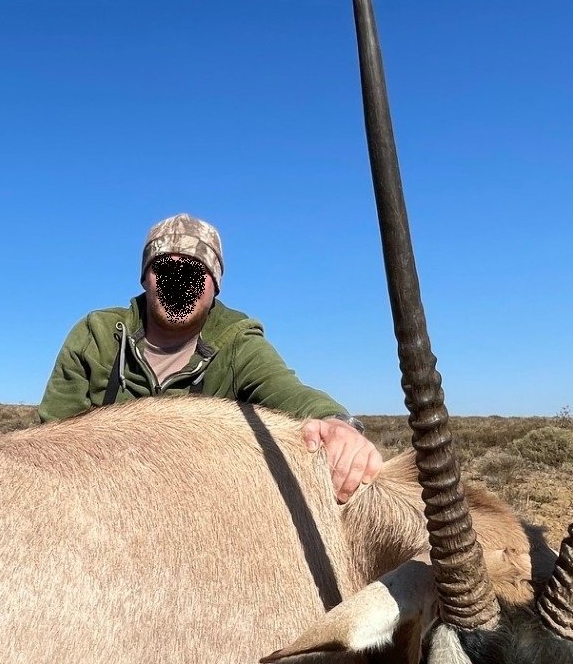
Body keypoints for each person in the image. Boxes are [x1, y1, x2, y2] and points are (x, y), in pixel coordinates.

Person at [38, 214, 383, 502]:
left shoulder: (237, 343)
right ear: (145, 277)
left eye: (191, 272)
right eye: (164, 269)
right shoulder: (96, 335)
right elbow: (49, 438)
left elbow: (287, 390)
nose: (178, 283)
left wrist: (337, 424)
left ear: (215, 284)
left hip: (198, 513)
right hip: (97, 500)